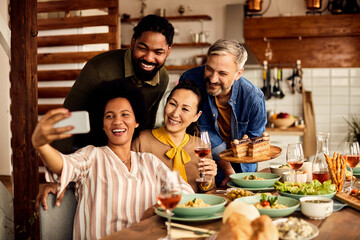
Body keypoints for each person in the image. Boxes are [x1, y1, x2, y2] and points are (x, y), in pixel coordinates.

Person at [32, 81, 194, 239]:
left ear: (137, 121)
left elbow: (184, 191)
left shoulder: (150, 161)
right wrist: (42, 145)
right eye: (109, 116)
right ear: (102, 124)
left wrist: (156, 208)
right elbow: (64, 165)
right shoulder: (92, 155)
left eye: (125, 114)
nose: (117, 121)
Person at [52, 14, 174, 154]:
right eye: (143, 48)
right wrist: (60, 164)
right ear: (133, 42)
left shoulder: (163, 78)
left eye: (158, 52)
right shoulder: (97, 69)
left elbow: (147, 122)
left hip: (125, 152)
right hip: (86, 150)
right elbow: (68, 118)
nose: (149, 58)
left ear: (168, 51)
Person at [179, 39, 267, 186]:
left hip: (243, 170)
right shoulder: (191, 80)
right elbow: (204, 131)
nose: (213, 79)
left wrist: (241, 179)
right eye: (209, 69)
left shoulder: (254, 98)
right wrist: (228, 171)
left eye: (222, 73)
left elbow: (255, 140)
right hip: (204, 165)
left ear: (238, 73)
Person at [132, 80, 217, 192]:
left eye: (185, 109)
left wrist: (209, 180)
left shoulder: (200, 145)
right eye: (172, 104)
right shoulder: (141, 140)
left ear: (196, 116)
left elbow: (207, 192)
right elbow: (130, 186)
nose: (175, 114)